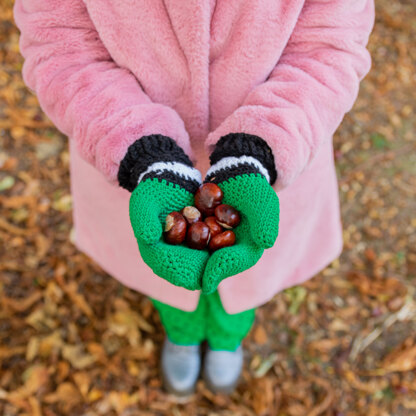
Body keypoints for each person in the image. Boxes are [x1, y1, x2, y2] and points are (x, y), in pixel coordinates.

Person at [13, 0, 375, 396]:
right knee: (167, 272)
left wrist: (261, 143)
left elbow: (329, 44)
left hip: (280, 148)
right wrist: (140, 150)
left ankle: (227, 338)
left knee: (245, 274)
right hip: (126, 156)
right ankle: (182, 332)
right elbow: (60, 44)